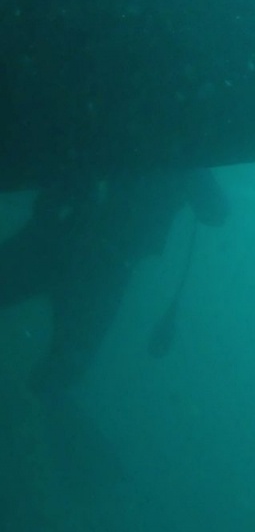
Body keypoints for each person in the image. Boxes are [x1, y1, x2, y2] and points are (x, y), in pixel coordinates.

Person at [0, 168, 229, 395]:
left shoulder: (176, 149)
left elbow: (215, 211)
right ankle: (31, 410)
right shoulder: (181, 150)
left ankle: (30, 408)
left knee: (67, 364)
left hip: (64, 238)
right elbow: (214, 212)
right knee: (67, 364)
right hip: (101, 263)